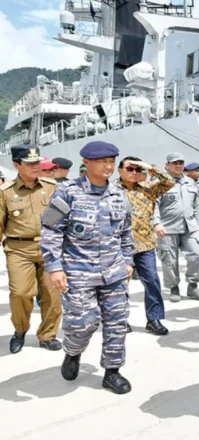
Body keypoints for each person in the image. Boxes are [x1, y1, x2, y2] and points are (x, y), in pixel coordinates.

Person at [40, 140, 136, 394]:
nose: (108, 167)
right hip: (78, 271)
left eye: (111, 162)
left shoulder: (118, 193)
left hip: (114, 272)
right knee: (83, 323)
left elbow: (126, 231)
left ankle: (112, 372)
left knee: (117, 322)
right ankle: (72, 352)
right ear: (87, 162)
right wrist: (54, 266)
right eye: (102, 162)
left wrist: (128, 259)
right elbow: (51, 230)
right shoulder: (68, 192)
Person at [2, 146, 62, 354]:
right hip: (19, 249)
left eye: (37, 162)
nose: (35, 167)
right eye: (29, 163)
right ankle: (20, 330)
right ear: (16, 165)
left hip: (50, 248)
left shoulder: (51, 187)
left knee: (52, 294)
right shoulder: (6, 192)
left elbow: (64, 218)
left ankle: (47, 334)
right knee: (20, 293)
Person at [116, 156, 175, 335]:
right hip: (118, 246)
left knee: (152, 282)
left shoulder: (148, 189)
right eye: (130, 169)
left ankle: (154, 319)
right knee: (119, 285)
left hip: (145, 245)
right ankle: (120, 319)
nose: (134, 173)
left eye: (137, 169)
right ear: (120, 171)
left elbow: (169, 181)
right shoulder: (110, 190)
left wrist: (149, 167)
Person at [155, 152, 199, 302]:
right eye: (174, 163)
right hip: (167, 228)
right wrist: (157, 223)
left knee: (197, 254)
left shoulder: (190, 182)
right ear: (167, 165)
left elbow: (197, 204)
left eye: (180, 163)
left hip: (189, 227)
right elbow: (154, 205)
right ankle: (173, 288)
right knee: (169, 260)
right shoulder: (160, 183)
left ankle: (193, 286)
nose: (178, 166)